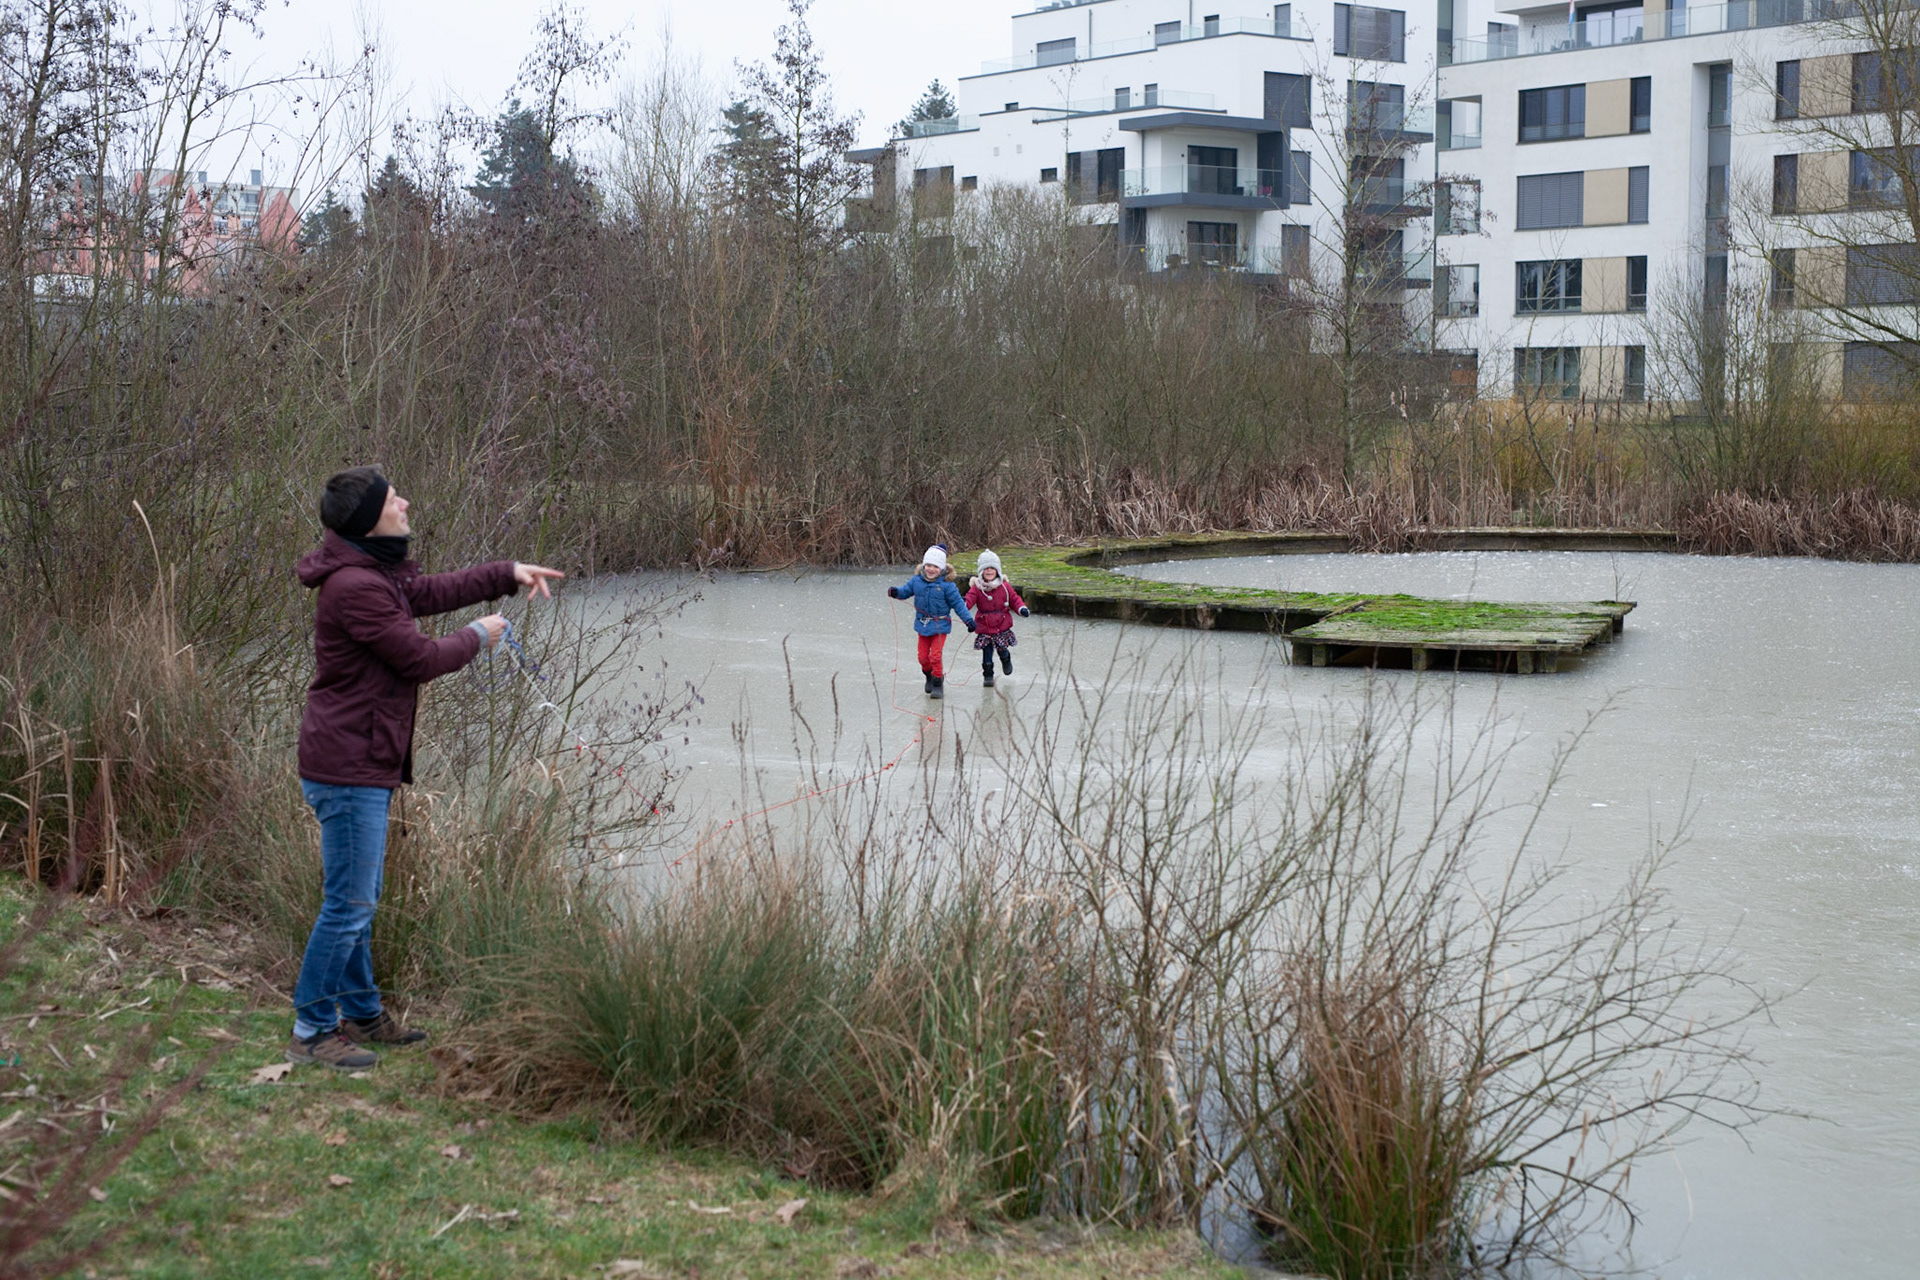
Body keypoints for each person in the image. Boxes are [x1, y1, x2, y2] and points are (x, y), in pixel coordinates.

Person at [287, 466, 564, 1071]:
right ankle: (311, 1029)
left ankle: (362, 1013)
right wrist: (478, 636)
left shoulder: (372, 572)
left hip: (359, 760)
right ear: (370, 520)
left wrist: (507, 574)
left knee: (359, 900)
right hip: (348, 766)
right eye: (394, 499)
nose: (405, 502)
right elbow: (417, 658)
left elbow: (430, 592)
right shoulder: (355, 587)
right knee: (350, 905)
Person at [886, 545, 974, 699]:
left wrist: (969, 621)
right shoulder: (916, 581)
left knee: (935, 656)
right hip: (923, 625)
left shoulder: (948, 586)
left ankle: (938, 682)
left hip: (940, 626)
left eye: (935, 566)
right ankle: (929, 676)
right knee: (922, 658)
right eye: (928, 565)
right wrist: (896, 592)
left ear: (942, 568)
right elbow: (905, 591)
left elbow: (959, 605)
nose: (931, 569)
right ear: (923, 565)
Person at [963, 550, 1030, 688]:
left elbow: (1014, 599)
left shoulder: (1004, 587)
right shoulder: (977, 588)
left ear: (997, 570)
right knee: (987, 652)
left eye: (992, 568)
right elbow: (969, 599)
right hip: (985, 626)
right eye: (986, 568)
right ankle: (988, 675)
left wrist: (1021, 609)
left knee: (1002, 648)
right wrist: (963, 605)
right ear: (981, 571)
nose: (989, 570)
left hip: (1001, 624)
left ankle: (1006, 659)